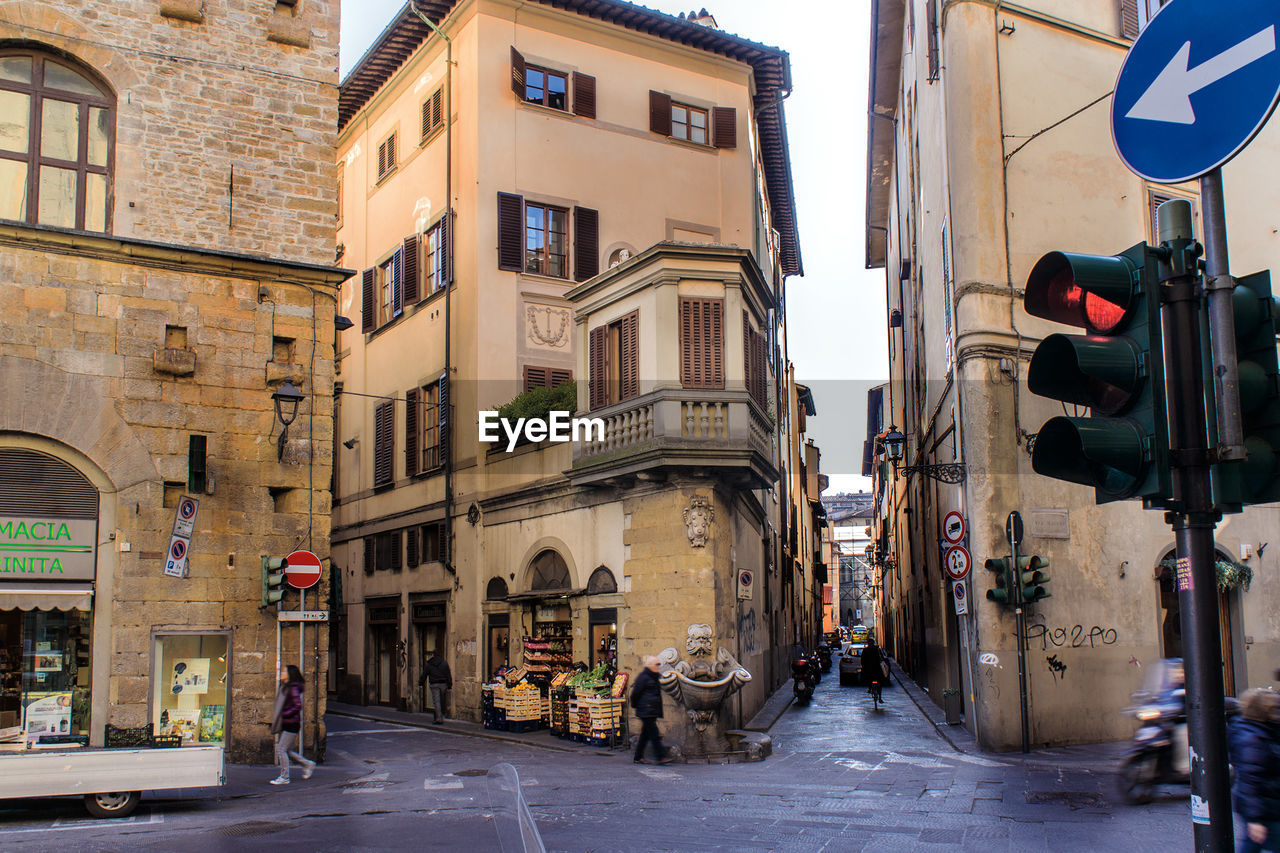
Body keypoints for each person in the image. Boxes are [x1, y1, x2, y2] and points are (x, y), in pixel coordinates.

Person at [1228, 688, 1280, 853]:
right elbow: (1250, 780)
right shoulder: (1252, 739)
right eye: (1275, 709)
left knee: (1253, 844)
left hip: (1268, 804)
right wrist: (1255, 819)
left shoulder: (1264, 731)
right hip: (1263, 807)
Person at [269, 665, 315, 785]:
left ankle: (285, 777)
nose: (282, 672)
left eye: (284, 671)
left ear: (290, 674)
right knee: (286, 750)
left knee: (280, 749)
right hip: (287, 722)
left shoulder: (293, 688)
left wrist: (284, 714)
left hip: (291, 723)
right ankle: (307, 764)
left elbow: (297, 705)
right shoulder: (285, 687)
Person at [630, 655, 672, 765]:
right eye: (656, 664)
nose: (658, 666)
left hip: (650, 710)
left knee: (645, 734)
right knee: (654, 734)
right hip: (646, 710)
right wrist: (635, 705)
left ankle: (638, 757)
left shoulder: (653, 676)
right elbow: (635, 693)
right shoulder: (643, 677)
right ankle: (660, 756)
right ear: (650, 665)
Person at [420, 651, 453, 724]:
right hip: (443, 684)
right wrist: (450, 685)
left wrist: (421, 683)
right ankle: (440, 716)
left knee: (437, 701)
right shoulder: (444, 663)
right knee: (441, 701)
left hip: (434, 684)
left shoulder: (429, 664)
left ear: (433, 655)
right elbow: (448, 675)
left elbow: (424, 674)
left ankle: (438, 718)